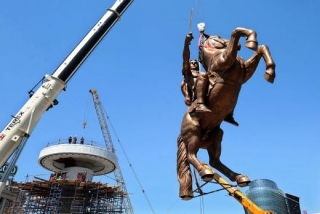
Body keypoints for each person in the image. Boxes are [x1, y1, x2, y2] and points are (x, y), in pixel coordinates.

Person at [181, 31, 239, 126]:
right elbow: (185, 56)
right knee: (203, 75)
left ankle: (228, 113)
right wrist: (186, 42)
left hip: (208, 87)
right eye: (192, 63)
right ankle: (200, 102)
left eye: (195, 62)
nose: (194, 63)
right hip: (196, 92)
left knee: (226, 84)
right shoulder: (188, 74)